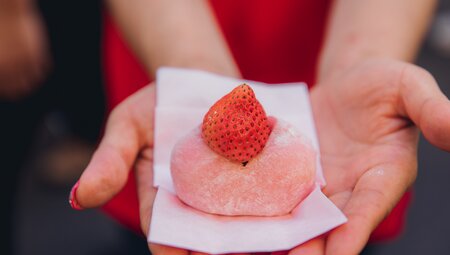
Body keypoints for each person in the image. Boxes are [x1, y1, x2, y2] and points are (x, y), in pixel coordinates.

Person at [70, 0, 450, 254]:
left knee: (349, 228)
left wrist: (362, 59)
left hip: (341, 107)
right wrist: (189, 74)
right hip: (167, 65)